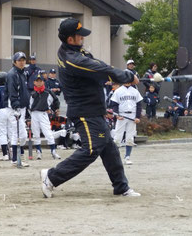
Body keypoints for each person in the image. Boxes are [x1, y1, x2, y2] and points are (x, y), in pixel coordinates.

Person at [40, 18, 141, 198]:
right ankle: (52, 176)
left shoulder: (74, 51)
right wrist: (126, 76)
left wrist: (115, 77)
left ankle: (121, 187)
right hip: (85, 111)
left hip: (93, 109)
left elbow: (99, 67)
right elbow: (98, 69)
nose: (83, 38)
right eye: (80, 35)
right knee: (92, 148)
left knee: (109, 148)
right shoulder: (72, 59)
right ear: (70, 39)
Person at [4, 52, 30, 167]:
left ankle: (16, 157)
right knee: (19, 134)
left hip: (22, 107)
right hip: (15, 107)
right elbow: (12, 91)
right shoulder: (12, 74)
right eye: (19, 60)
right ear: (14, 62)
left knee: (20, 134)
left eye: (23, 60)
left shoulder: (23, 73)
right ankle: (15, 158)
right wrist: (15, 106)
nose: (22, 62)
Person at [110, 80, 142, 165]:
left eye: (129, 80)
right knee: (117, 137)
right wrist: (116, 115)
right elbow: (114, 104)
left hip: (132, 116)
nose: (127, 82)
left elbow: (139, 105)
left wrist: (138, 117)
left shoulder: (135, 91)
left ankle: (127, 157)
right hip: (122, 116)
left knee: (130, 138)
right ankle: (114, 158)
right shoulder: (118, 91)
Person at [29, 74, 61, 160]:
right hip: (34, 114)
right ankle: (39, 152)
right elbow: (29, 105)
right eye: (37, 81)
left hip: (43, 114)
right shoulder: (32, 93)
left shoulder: (48, 92)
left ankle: (53, 151)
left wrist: (56, 109)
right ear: (34, 82)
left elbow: (56, 100)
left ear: (43, 82)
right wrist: (28, 117)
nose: (39, 83)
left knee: (48, 133)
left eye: (40, 81)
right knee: (36, 134)